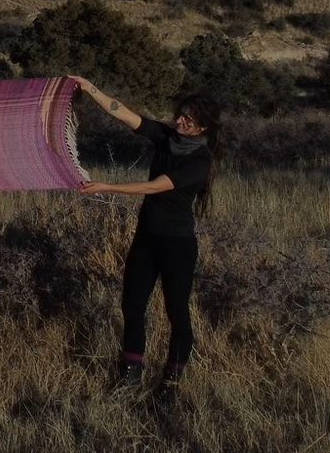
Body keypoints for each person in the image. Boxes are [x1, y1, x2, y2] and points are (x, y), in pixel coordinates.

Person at [69, 76, 221, 391]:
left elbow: (155, 187)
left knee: (176, 311)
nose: (180, 119)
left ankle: (171, 383)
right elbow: (123, 113)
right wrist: (89, 87)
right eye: (181, 113)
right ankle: (130, 376)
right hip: (147, 238)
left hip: (177, 245)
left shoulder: (200, 162)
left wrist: (107, 186)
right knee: (132, 305)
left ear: (203, 127)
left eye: (189, 118)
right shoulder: (166, 136)